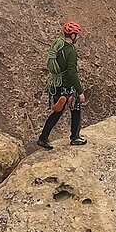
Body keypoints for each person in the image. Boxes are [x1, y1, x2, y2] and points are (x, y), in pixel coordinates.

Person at [38, 20, 87, 149]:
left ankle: (43, 138)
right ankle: (75, 137)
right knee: (76, 110)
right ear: (73, 35)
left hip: (56, 85)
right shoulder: (70, 51)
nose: (78, 37)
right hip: (67, 86)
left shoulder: (58, 46)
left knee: (57, 112)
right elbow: (72, 72)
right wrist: (80, 91)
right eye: (77, 34)